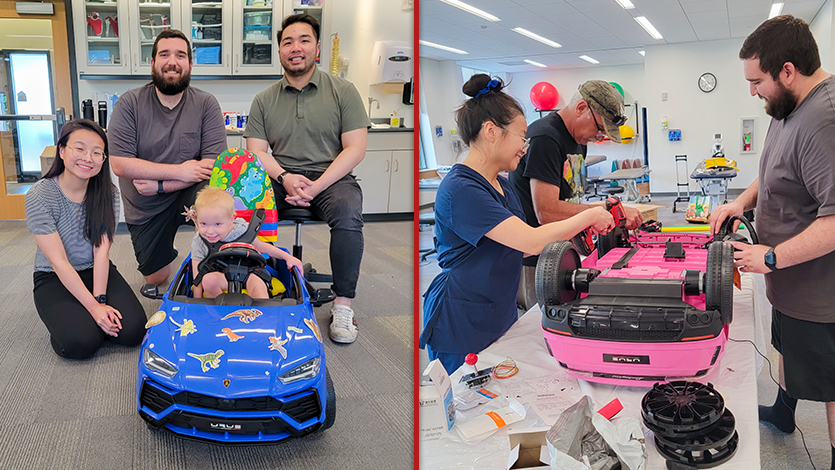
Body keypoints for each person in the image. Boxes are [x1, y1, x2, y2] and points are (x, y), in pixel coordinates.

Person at [419, 75, 615, 373]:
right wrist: (590, 214)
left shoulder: (502, 185)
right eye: (521, 136)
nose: (524, 146)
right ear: (491, 131)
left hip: (498, 311)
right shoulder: (461, 189)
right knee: (465, 401)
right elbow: (531, 242)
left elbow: (520, 248)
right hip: (462, 319)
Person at [709, 15, 835, 467]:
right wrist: (738, 203)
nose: (752, 91)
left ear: (787, 71)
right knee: (787, 348)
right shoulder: (788, 108)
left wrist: (772, 256)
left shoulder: (825, 118)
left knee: (829, 382)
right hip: (789, 283)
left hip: (819, 292)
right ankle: (784, 413)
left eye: (756, 80)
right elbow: (774, 169)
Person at [244, 14, 370, 344]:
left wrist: (317, 185)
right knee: (244, 203)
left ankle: (343, 304)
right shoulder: (264, 100)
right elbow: (257, 152)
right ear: (280, 51)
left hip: (331, 177)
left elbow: (355, 148)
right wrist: (285, 178)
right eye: (287, 42)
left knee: (348, 212)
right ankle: (257, 283)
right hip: (280, 177)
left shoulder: (344, 91)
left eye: (303, 40)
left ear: (317, 48)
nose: (295, 47)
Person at [508, 81, 643, 309]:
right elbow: (547, 211)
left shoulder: (578, 139)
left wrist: (610, 211)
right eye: (599, 128)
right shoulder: (546, 138)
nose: (599, 137)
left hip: (563, 251)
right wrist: (600, 211)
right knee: (542, 327)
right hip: (537, 260)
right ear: (581, 108)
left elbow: (570, 200)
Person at [108, 29, 227, 287]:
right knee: (156, 277)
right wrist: (182, 171)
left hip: (186, 193)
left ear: (190, 64)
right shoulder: (129, 103)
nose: (172, 61)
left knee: (217, 193)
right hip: (145, 207)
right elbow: (120, 163)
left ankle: (213, 268)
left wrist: (161, 184)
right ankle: (169, 254)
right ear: (152, 63)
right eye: (164, 54)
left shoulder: (206, 104)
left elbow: (215, 168)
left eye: (180, 55)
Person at [25, 119, 145, 359]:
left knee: (134, 331)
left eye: (97, 152)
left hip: (95, 270)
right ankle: (71, 319)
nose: (88, 158)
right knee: (81, 342)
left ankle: (86, 313)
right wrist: (93, 309)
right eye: (79, 148)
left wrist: (99, 300)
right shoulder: (40, 195)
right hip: (54, 276)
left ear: (103, 159)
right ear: (61, 150)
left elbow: (101, 251)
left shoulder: (107, 193)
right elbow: (59, 263)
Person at [190, 186, 303, 299]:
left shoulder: (243, 230)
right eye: (203, 224)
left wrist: (288, 257)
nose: (210, 231)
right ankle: (219, 311)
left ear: (231, 219)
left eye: (217, 224)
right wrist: (196, 303)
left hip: (249, 273)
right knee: (208, 281)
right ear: (197, 219)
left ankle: (262, 313)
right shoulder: (199, 241)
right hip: (220, 276)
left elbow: (263, 247)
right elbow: (197, 275)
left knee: (258, 285)